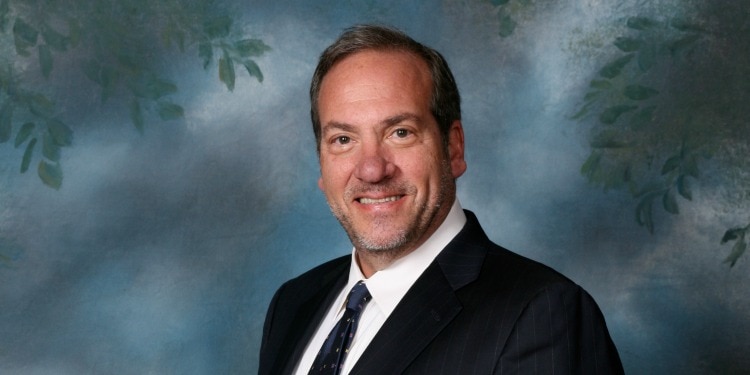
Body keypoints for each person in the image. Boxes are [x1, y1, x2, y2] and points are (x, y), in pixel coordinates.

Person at [259, 24, 624, 375]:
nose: (372, 170)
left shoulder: (542, 314)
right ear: (321, 163)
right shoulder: (294, 304)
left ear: (453, 147)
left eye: (400, 132)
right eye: (342, 139)